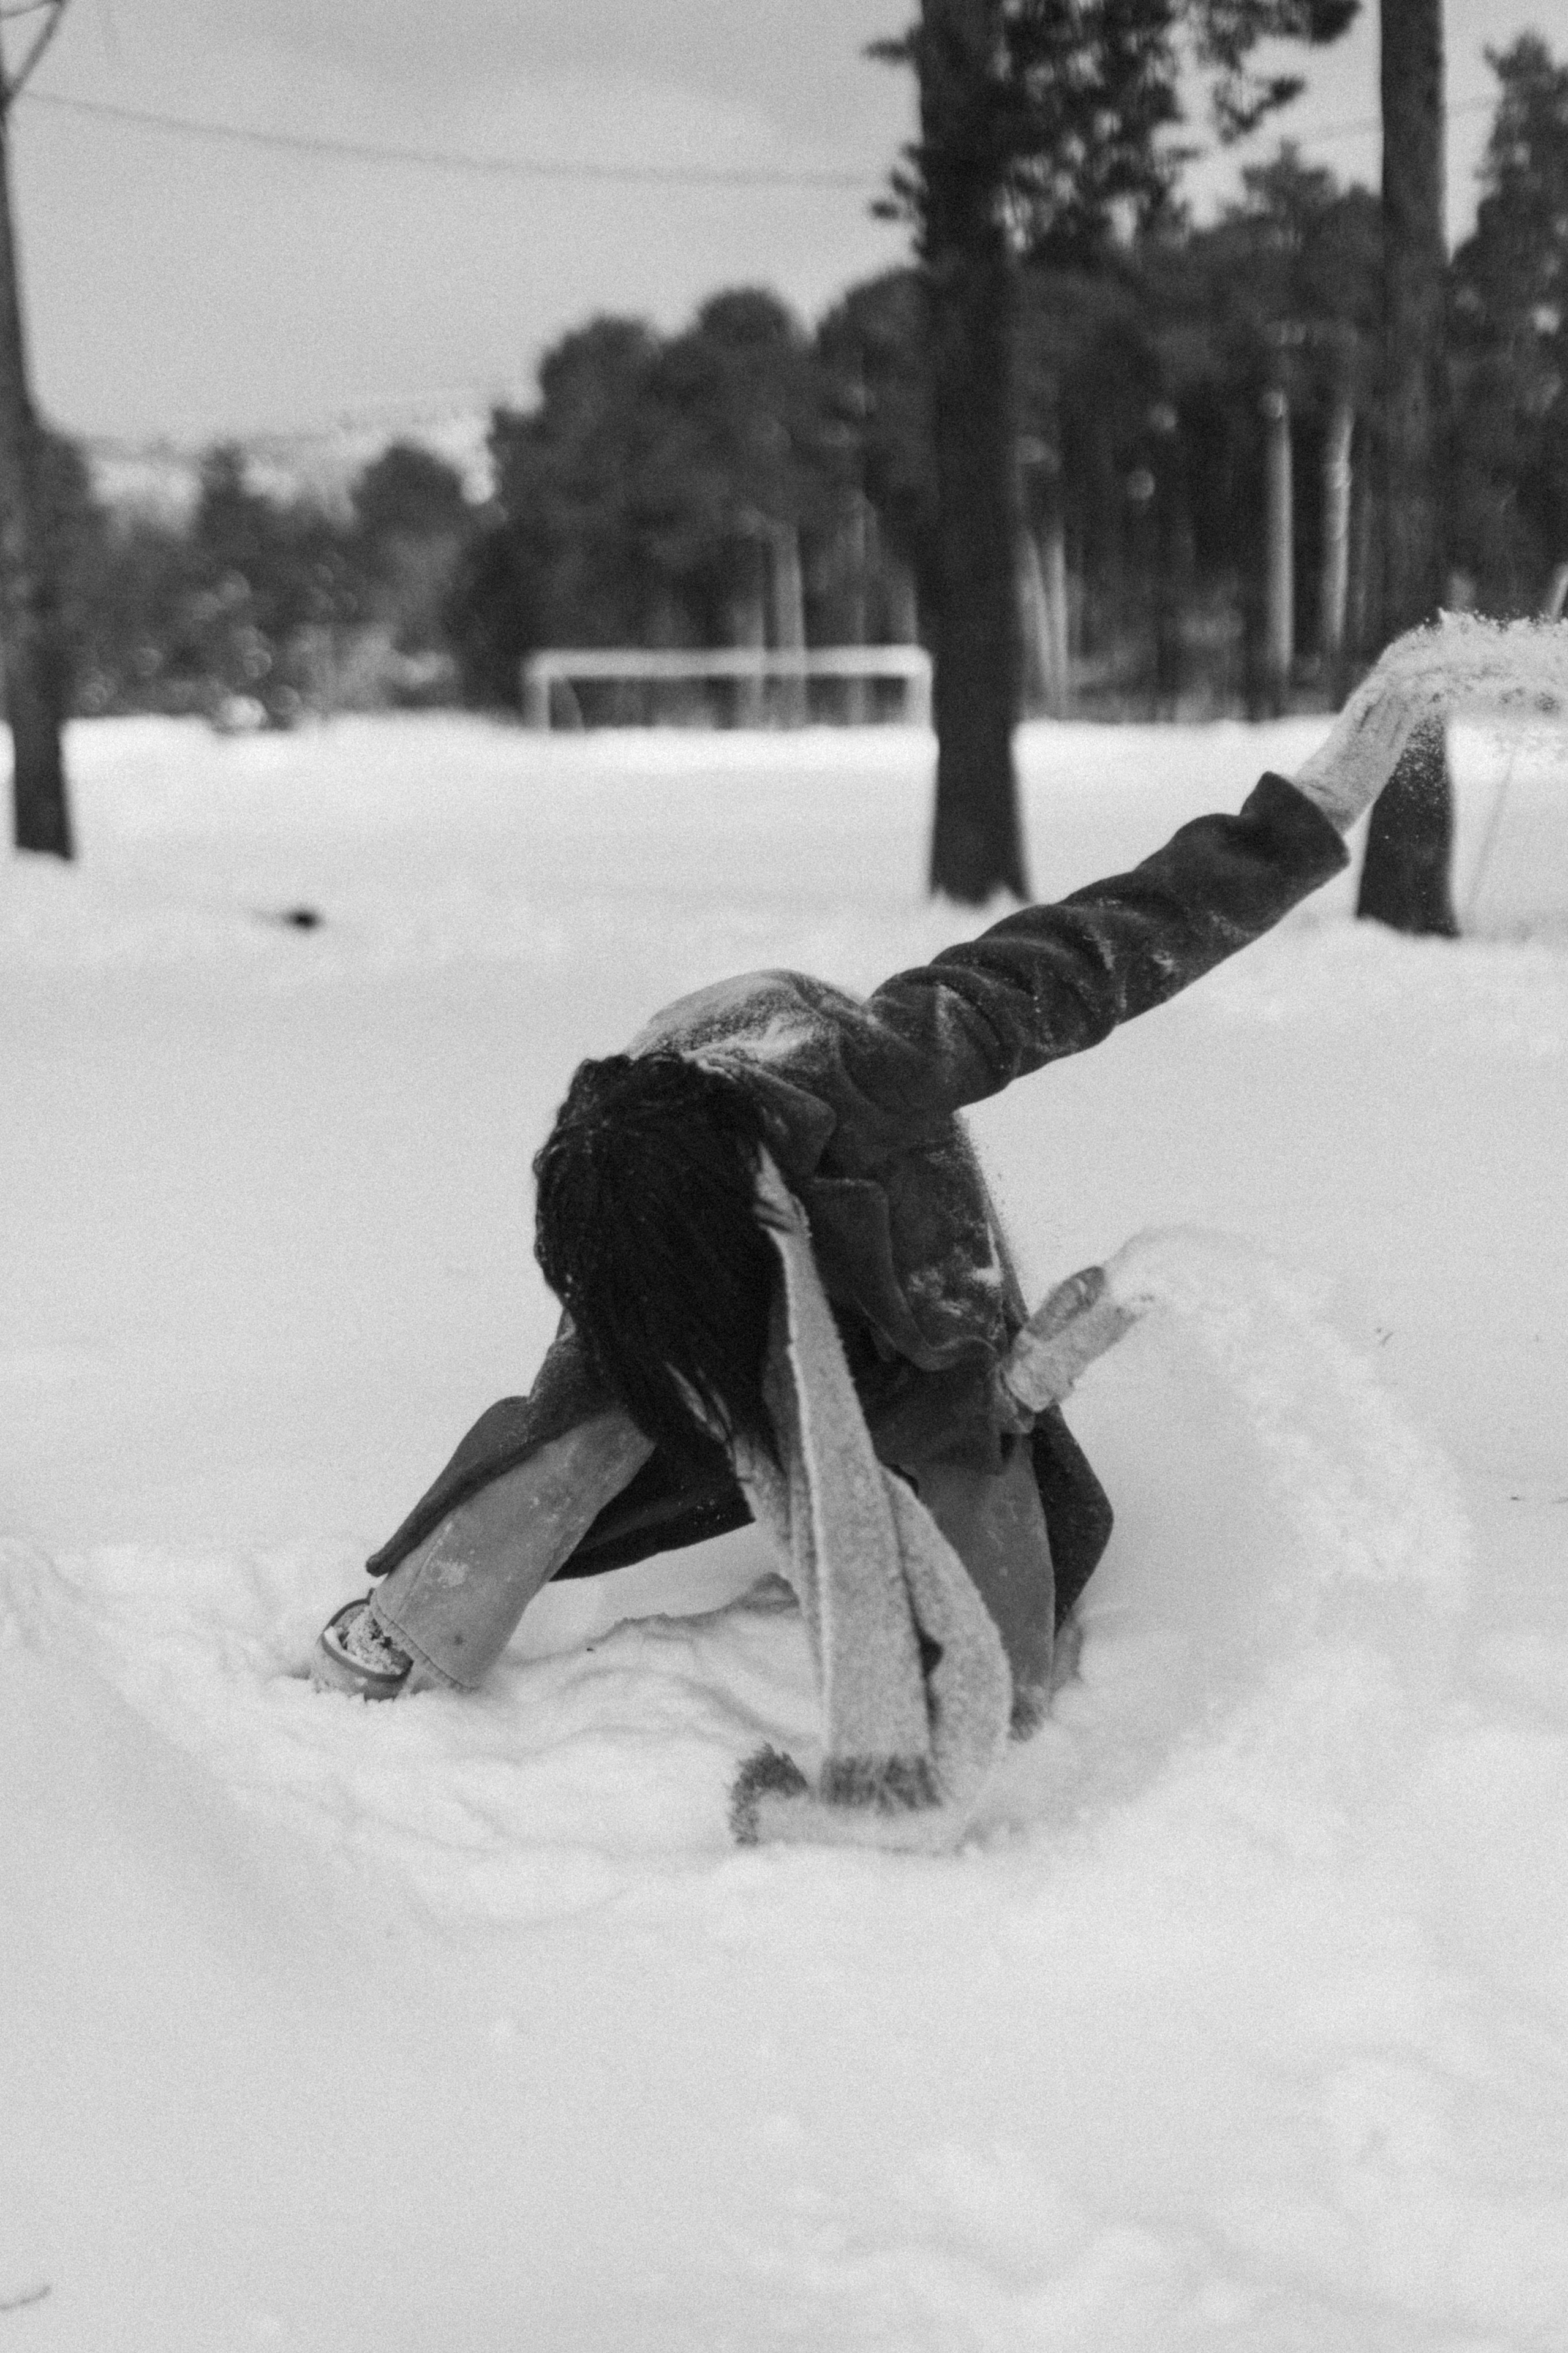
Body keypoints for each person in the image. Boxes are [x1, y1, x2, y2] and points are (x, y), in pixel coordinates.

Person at [311, 648, 1439, 1829]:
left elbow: (1096, 947)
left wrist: (1307, 814)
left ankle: (991, 1666)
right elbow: (580, 1411)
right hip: (664, 1145)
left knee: (957, 1444)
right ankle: (404, 1631)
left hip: (816, 1140)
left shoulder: (883, 1082)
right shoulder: (628, 1225)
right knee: (591, 1428)